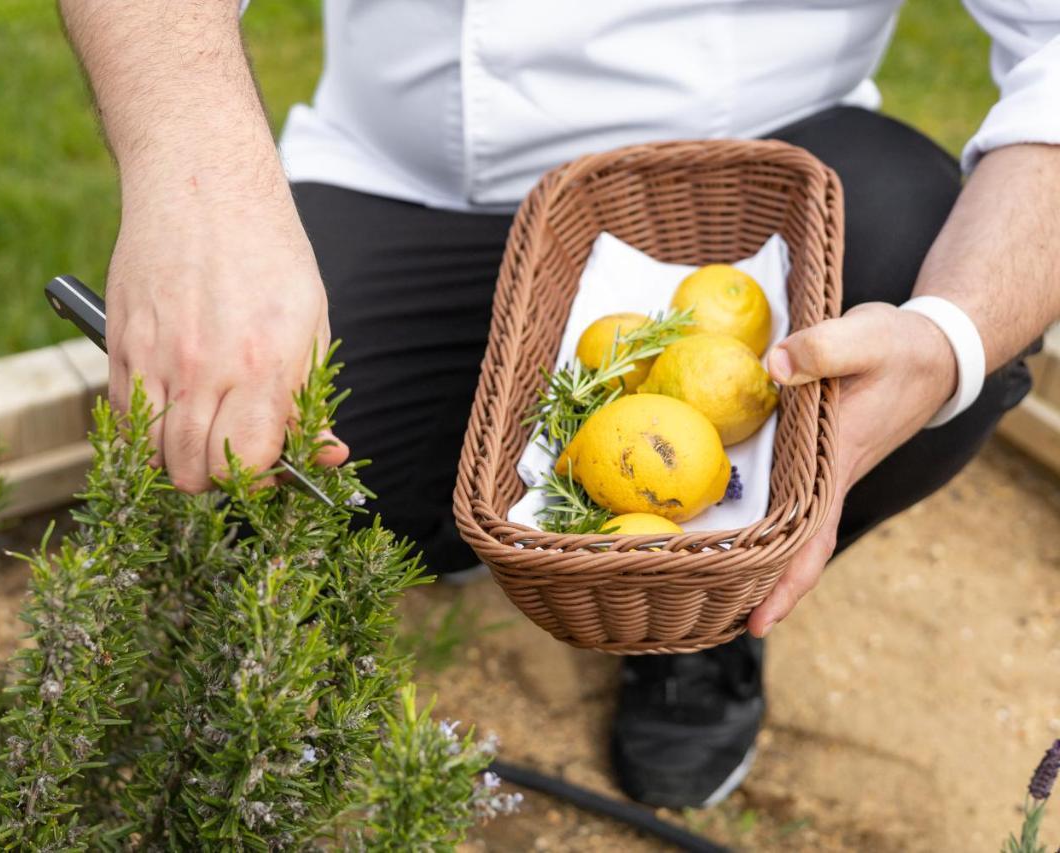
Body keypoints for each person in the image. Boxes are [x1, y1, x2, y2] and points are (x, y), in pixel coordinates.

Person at [58, 0, 1060, 809]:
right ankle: (480, 517)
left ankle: (692, 621)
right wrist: (197, 190)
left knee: (915, 254)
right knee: (261, 450)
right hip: (407, 189)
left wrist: (951, 334)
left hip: (746, 191)